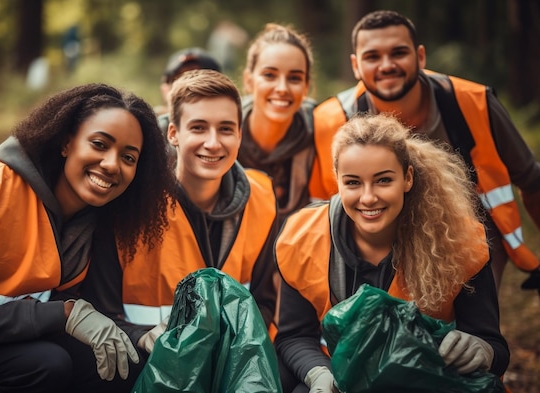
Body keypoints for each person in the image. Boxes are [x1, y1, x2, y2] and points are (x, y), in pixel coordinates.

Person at [0, 83, 176, 392]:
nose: (111, 164)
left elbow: (88, 313)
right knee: (45, 364)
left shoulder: (95, 224)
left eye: (128, 158)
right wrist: (60, 315)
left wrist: (139, 337)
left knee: (123, 362)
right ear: (67, 143)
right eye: (99, 144)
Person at [275, 113, 510, 393]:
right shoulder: (301, 239)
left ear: (407, 178)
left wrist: (482, 349)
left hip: (424, 381)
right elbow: (294, 336)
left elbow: (495, 347)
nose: (368, 197)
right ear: (336, 179)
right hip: (339, 380)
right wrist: (318, 375)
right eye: (353, 182)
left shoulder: (458, 242)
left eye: (383, 180)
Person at [310, 9, 540, 291]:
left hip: (472, 243)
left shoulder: (474, 102)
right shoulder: (330, 120)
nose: (386, 65)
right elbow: (322, 212)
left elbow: (531, 180)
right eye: (372, 57)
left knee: (470, 332)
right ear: (356, 65)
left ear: (420, 57)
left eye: (398, 53)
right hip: (377, 250)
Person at [78, 69, 279, 386]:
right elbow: (101, 308)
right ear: (173, 133)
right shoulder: (130, 200)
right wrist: (143, 337)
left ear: (240, 134)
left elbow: (266, 302)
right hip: (145, 364)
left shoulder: (263, 198)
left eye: (225, 129)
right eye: (198, 128)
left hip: (231, 368)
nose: (213, 143)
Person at [240, 22, 317, 224]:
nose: (282, 88)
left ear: (306, 86)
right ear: (249, 80)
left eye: (294, 78)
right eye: (269, 75)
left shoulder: (321, 132)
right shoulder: (222, 130)